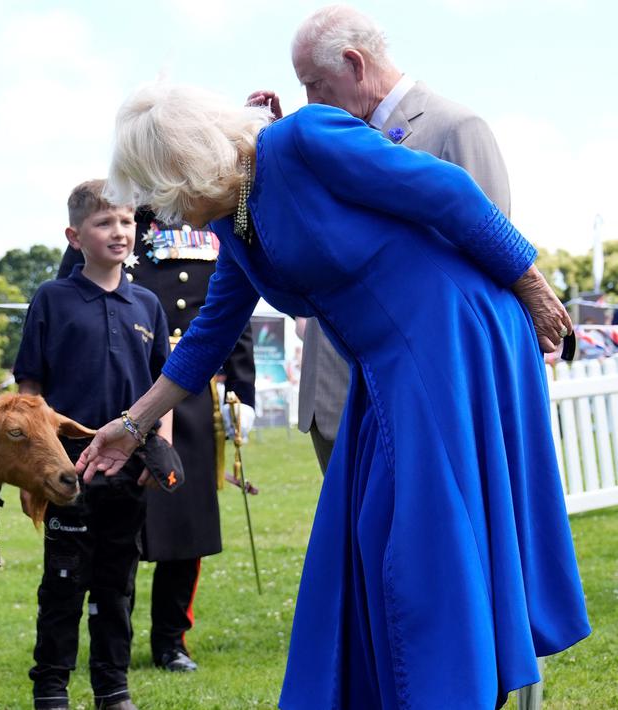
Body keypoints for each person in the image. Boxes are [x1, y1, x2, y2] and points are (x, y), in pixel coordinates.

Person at [76, 82, 591, 709]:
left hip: (448, 338)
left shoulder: (305, 139)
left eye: (168, 192)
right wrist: (130, 425)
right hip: (386, 370)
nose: (170, 213)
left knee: (421, 542)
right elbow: (209, 335)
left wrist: (532, 288)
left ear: (193, 160)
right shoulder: (235, 220)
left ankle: (450, 693)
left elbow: (450, 192)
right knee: (366, 541)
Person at [249, 3, 512, 476]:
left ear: (353, 63)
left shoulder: (456, 128)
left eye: (315, 84)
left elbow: (485, 272)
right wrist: (286, 152)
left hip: (422, 395)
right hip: (333, 394)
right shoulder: (320, 134)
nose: (309, 101)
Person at [57, 212, 257, 673]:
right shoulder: (113, 218)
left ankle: (171, 640)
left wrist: (239, 393)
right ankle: (113, 636)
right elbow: (73, 299)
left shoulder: (212, 222)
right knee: (112, 528)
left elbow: (233, 307)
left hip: (187, 394)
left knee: (186, 529)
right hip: (117, 387)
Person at [15, 179, 171, 710]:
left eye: (127, 222)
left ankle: (113, 688)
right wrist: (35, 465)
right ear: (74, 235)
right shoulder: (51, 300)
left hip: (128, 473)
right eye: (105, 222)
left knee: (116, 584)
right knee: (63, 583)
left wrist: (160, 450)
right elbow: (29, 391)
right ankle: (51, 689)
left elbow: (161, 388)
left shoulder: (147, 304)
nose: (119, 231)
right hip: (68, 473)